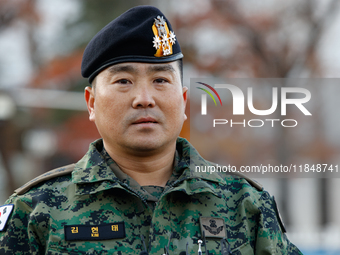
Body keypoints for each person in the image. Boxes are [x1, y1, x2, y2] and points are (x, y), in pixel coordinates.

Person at [0, 5, 302, 255]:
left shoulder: (244, 205)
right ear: (91, 103)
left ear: (183, 101)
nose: (144, 99)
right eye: (123, 81)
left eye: (160, 80)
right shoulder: (35, 211)